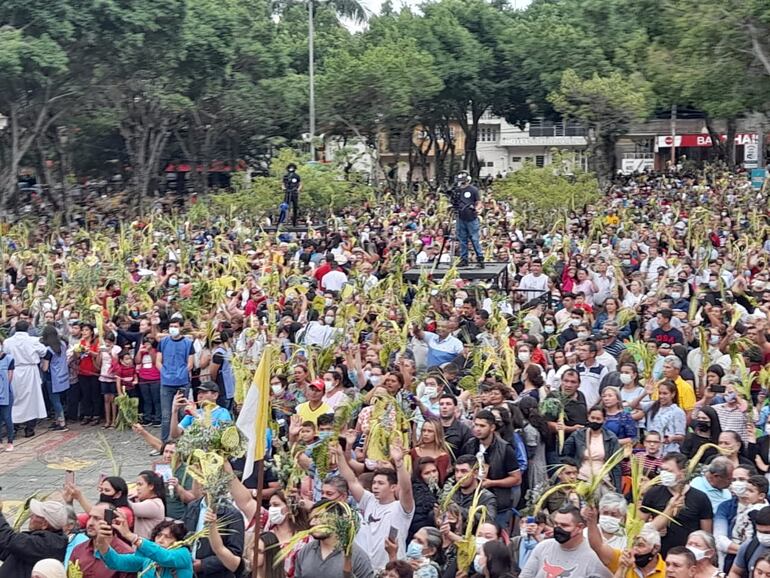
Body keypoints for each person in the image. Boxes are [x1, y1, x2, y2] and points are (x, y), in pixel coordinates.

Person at [333, 437, 414, 571]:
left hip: (390, 570)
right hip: (365, 570)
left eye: (381, 483)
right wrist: (340, 455)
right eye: (374, 483)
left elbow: (406, 489)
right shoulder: (369, 500)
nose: (375, 486)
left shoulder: (401, 508)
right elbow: (351, 480)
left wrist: (399, 463)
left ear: (393, 487)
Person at [641, 452, 713, 555]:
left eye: (668, 471)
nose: (664, 474)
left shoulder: (700, 498)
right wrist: (654, 529)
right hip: (657, 554)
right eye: (662, 470)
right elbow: (638, 524)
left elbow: (707, 534)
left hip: (687, 555)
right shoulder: (653, 493)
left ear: (682, 472)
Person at [460, 409, 521, 531]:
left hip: (499, 505)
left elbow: (516, 479)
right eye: (476, 425)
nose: (477, 429)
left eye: (482, 426)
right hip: (472, 503)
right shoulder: (470, 445)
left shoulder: (505, 449)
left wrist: (492, 483)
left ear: (492, 427)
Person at [519, 505, 611, 578]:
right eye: (556, 524)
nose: (558, 529)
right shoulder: (542, 547)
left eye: (564, 525)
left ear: (580, 527)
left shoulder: (594, 556)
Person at [93, 515, 193, 578]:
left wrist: (131, 536)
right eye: (159, 535)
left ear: (178, 542)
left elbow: (165, 557)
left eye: (168, 537)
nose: (161, 540)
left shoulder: (183, 554)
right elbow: (116, 562)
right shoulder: (148, 559)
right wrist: (102, 542)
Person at [295, 500, 374, 578]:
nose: (312, 523)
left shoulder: (357, 557)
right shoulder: (305, 551)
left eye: (318, 517)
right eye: (311, 518)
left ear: (336, 519)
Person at [0, 498, 69, 578]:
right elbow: (9, 551)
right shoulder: (45, 540)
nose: (30, 516)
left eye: (36, 515)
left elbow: (9, 539)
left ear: (45, 524)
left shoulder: (47, 544)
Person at [183, 491, 244, 578]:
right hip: (187, 571)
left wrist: (203, 564)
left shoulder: (233, 514)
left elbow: (234, 554)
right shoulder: (192, 506)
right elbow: (181, 536)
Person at [562, 404, 622, 492]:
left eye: (598, 419)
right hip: (581, 480)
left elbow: (616, 465)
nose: (595, 421)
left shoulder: (611, 438)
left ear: (604, 420)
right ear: (588, 417)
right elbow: (566, 455)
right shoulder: (578, 434)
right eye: (592, 418)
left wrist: (618, 490)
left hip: (603, 481)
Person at [4, 320, 46, 437]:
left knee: (15, 398)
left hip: (15, 371)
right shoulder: (33, 340)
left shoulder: (8, 342)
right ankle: (29, 428)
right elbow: (44, 351)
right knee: (32, 399)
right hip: (29, 371)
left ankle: (13, 427)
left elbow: (5, 353)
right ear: (28, 328)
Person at [69, 503, 135, 578]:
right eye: (90, 517)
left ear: (112, 522)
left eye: (97, 518)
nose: (90, 523)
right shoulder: (79, 549)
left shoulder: (125, 554)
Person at [156, 317, 194, 442]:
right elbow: (158, 361)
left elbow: (190, 364)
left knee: (183, 413)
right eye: (171, 326)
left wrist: (181, 374)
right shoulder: (163, 342)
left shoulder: (188, 343)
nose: (173, 329)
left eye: (176, 326)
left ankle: (183, 441)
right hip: (166, 383)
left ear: (181, 327)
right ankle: (165, 442)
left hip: (182, 382)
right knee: (166, 414)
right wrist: (165, 373)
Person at [450, 171, 483, 268]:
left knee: (474, 239)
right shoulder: (457, 190)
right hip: (460, 217)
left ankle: (480, 258)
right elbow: (454, 202)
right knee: (462, 239)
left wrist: (477, 209)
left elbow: (478, 202)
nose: (462, 183)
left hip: (471, 217)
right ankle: (464, 259)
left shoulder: (473, 190)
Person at [40, 325, 69, 432]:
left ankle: (62, 423)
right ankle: (57, 420)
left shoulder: (48, 350)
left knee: (55, 400)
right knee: (59, 399)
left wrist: (41, 365)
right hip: (63, 376)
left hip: (52, 378)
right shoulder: (63, 344)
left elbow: (45, 368)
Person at [128, 471, 166, 539]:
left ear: (151, 486)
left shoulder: (154, 504)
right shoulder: (149, 502)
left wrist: (121, 493)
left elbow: (131, 507)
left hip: (146, 547)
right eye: (137, 485)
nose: (137, 488)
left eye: (140, 484)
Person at [0, 340, 15, 451]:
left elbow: (9, 378)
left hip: (6, 393)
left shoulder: (9, 359)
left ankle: (10, 442)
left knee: (7, 417)